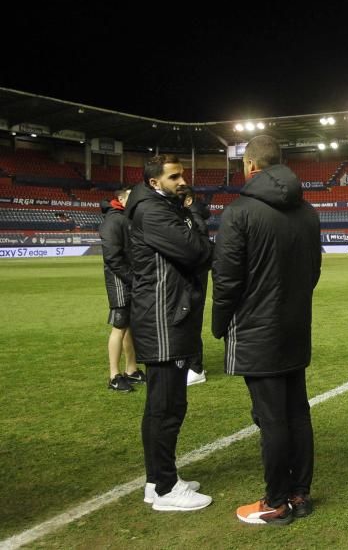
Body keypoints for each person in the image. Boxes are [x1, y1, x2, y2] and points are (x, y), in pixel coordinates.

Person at [212, 135, 321, 525]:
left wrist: (219, 323)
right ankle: (300, 495)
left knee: (271, 419)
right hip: (295, 328)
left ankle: (276, 503)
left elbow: (226, 280)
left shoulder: (238, 212)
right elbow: (313, 273)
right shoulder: (307, 211)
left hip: (257, 331)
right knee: (297, 413)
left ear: (250, 166)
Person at [126, 155, 213, 511]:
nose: (182, 181)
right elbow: (197, 251)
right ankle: (164, 488)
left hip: (166, 314)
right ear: (153, 182)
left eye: (183, 175)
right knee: (166, 408)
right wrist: (193, 217)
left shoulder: (158, 207)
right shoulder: (154, 212)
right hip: (164, 319)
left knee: (165, 406)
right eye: (174, 176)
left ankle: (156, 481)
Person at [99, 187, 143, 392]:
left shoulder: (124, 218)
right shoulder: (113, 220)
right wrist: (131, 279)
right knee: (119, 326)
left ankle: (131, 370)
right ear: (120, 198)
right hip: (120, 281)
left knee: (128, 326)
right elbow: (113, 257)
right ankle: (114, 376)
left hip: (128, 278)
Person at [182, 190, 210, 386]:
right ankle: (191, 364)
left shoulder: (194, 218)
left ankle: (195, 367)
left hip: (193, 277)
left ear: (189, 200)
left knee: (191, 320)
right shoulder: (190, 217)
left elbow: (198, 250)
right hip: (192, 277)